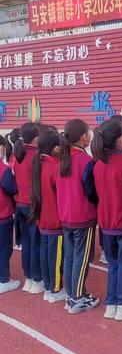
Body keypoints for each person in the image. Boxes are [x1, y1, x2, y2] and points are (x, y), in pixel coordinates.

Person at [91, 119, 122, 322]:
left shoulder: (98, 164)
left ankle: (112, 301)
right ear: (121, 139)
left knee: (114, 264)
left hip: (106, 222)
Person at [57, 119, 99, 314]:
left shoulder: (63, 159)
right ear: (84, 137)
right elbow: (91, 191)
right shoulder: (86, 161)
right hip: (82, 216)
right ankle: (77, 298)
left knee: (70, 257)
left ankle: (71, 294)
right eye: (89, 133)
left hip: (66, 216)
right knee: (81, 259)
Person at [30, 130, 66, 304]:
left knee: (45, 253)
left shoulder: (40, 164)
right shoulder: (56, 167)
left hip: (42, 218)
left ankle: (47, 286)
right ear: (56, 148)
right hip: (55, 220)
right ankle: (55, 289)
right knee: (56, 256)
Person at [12, 122, 43, 293]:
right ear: (36, 138)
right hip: (33, 204)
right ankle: (37, 279)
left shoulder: (17, 155)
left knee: (26, 241)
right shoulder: (37, 156)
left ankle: (29, 278)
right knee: (35, 242)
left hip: (21, 204)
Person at [0, 134, 18, 294]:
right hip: (2, 215)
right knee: (4, 247)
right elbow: (12, 189)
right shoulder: (4, 170)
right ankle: (3, 279)